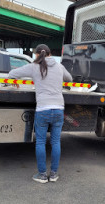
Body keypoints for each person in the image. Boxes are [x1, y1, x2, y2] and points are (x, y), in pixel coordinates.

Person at [9, 44, 73, 183]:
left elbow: (12, 74)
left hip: (43, 109)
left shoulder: (34, 67)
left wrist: (15, 80)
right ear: (50, 53)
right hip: (58, 109)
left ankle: (42, 175)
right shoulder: (59, 66)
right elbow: (70, 79)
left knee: (41, 142)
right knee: (56, 142)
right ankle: (54, 174)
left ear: (37, 54)